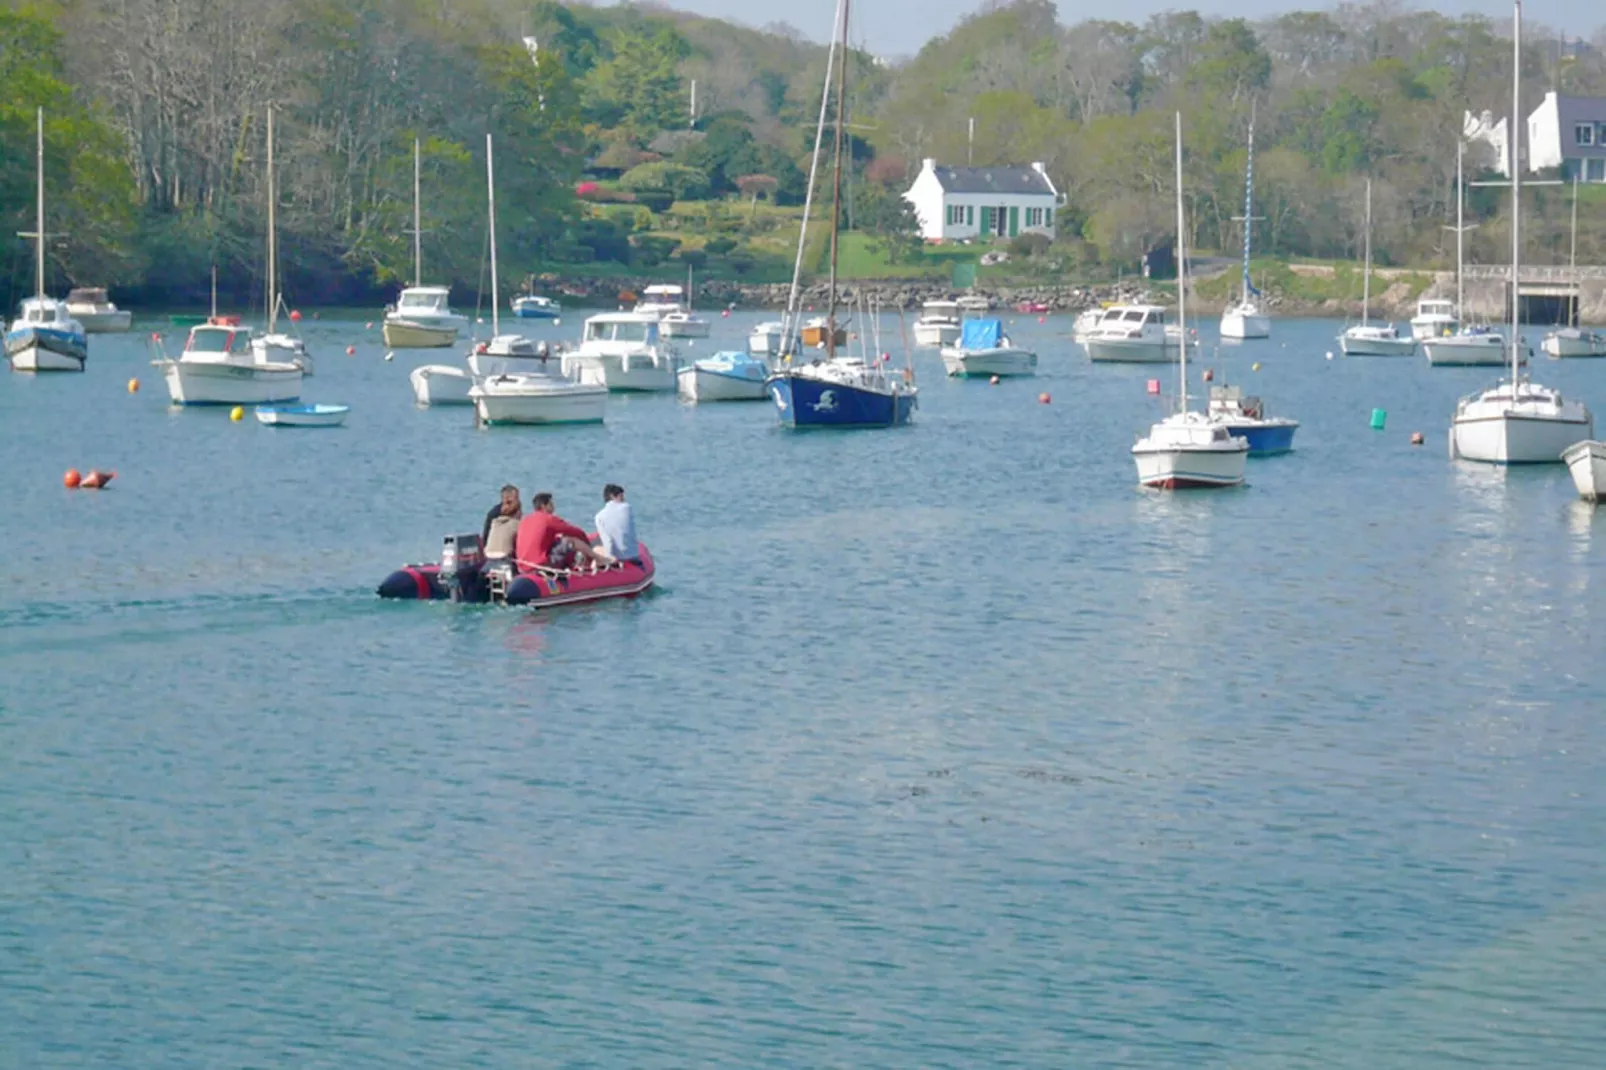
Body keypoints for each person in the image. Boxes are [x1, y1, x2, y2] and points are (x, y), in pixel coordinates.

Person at [515, 492, 604, 572]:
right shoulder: (548, 519)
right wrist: (588, 545)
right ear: (544, 506)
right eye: (551, 503)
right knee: (571, 540)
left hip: (522, 565)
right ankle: (598, 559)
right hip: (540, 565)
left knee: (560, 542)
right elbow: (576, 532)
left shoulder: (525, 520)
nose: (554, 506)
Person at [594, 484, 639, 564]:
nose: (624, 499)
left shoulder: (599, 517)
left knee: (595, 549)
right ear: (612, 496)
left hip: (619, 557)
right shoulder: (627, 508)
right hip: (633, 555)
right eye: (621, 496)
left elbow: (608, 541)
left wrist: (609, 558)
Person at [482, 484, 522, 559]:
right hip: (504, 554)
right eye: (516, 498)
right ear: (507, 498)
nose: (518, 500)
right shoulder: (496, 514)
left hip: (489, 553)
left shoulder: (494, 514)